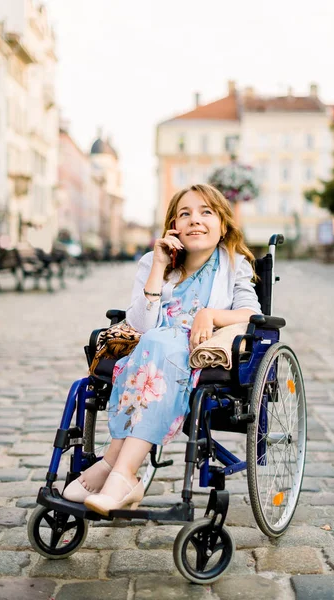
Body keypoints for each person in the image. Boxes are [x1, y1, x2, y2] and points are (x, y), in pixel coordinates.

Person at [63, 183, 262, 515]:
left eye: (206, 212)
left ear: (223, 225)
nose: (195, 220)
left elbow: (251, 314)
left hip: (196, 356)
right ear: (173, 227)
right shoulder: (151, 262)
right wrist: (157, 267)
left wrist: (209, 314)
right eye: (184, 214)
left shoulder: (233, 263)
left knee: (160, 346)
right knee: (154, 342)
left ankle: (117, 468)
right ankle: (121, 473)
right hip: (149, 354)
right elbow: (139, 326)